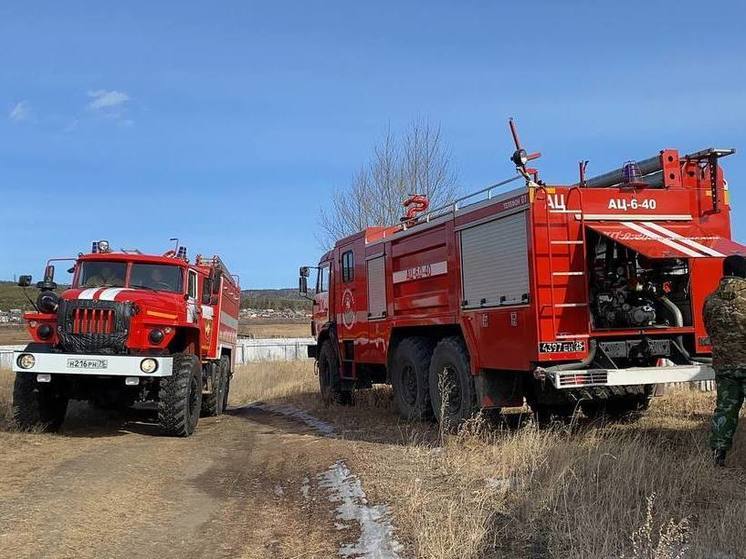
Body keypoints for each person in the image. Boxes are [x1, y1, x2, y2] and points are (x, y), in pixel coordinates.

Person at [703, 254, 746, 466]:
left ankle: (718, 456)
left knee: (725, 409)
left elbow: (709, 329)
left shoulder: (710, 301)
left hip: (724, 366)